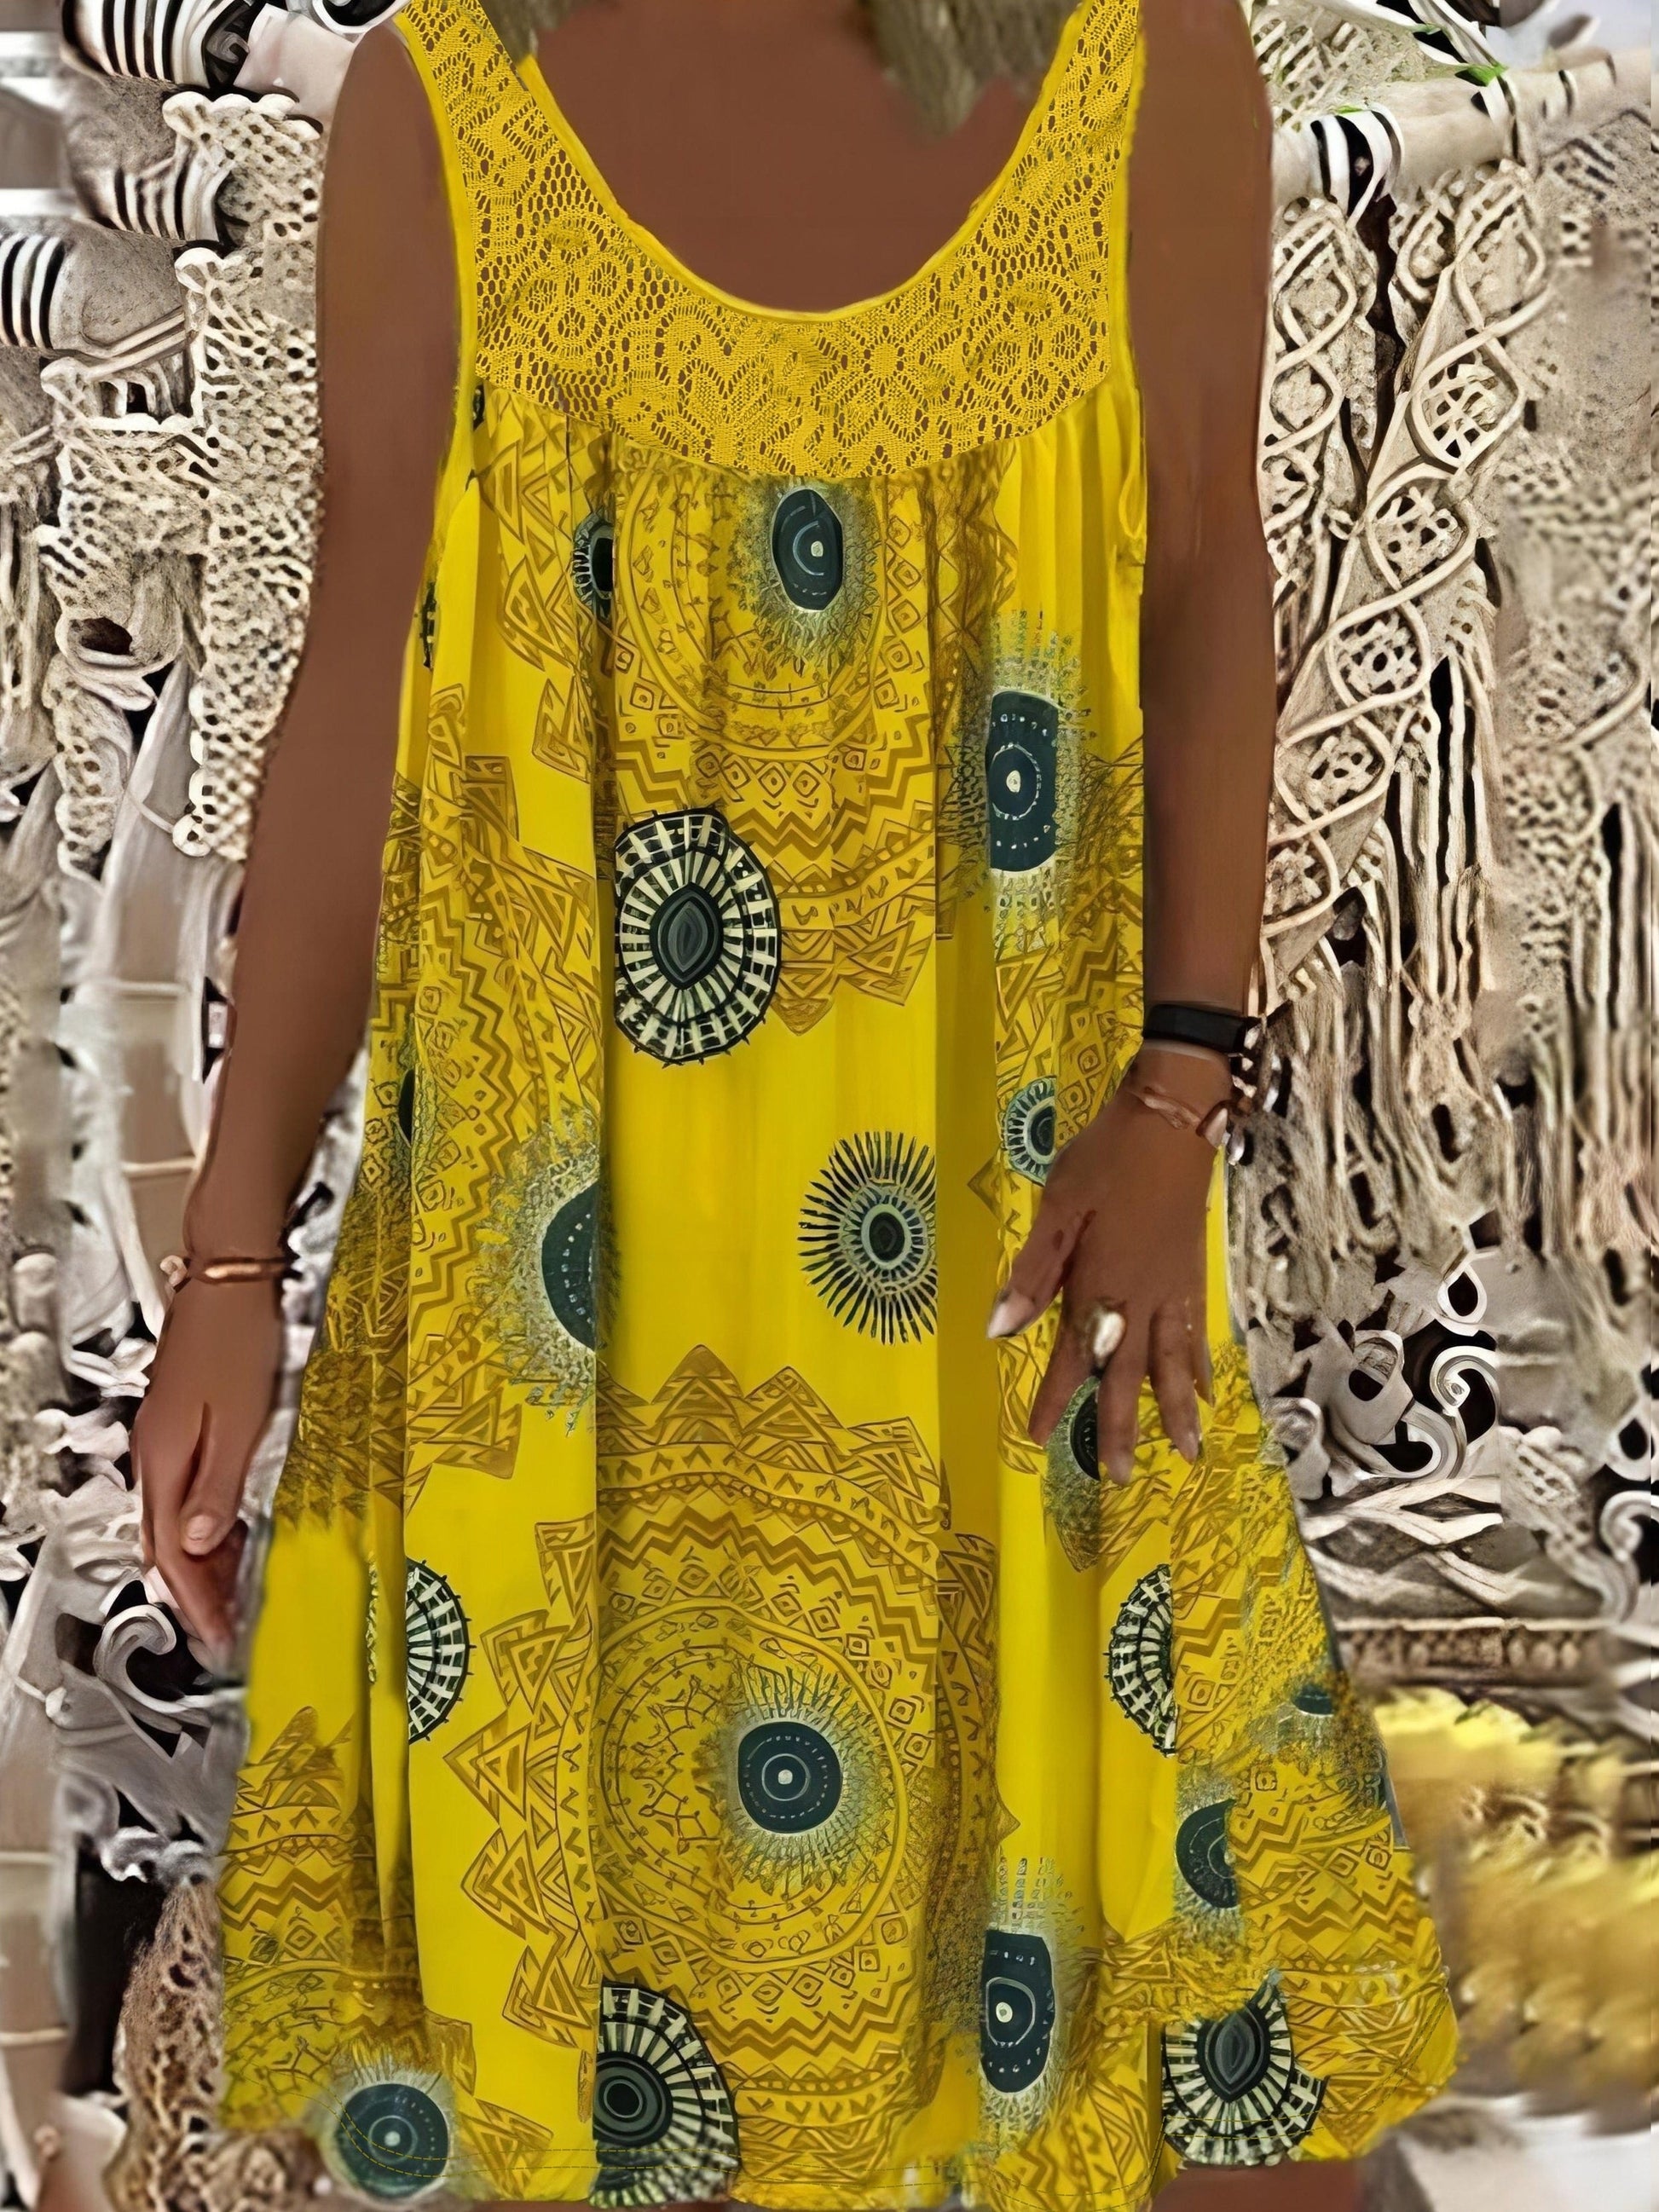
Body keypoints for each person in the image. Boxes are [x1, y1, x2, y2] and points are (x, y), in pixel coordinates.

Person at [125, 0, 1458, 2205]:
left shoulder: (1147, 65)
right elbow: (352, 686)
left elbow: (1210, 582)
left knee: (1169, 2035)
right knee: (590, 2049)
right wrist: (230, 1257)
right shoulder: (446, 101)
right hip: (551, 1291)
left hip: (1020, 1237)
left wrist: (1176, 1090)